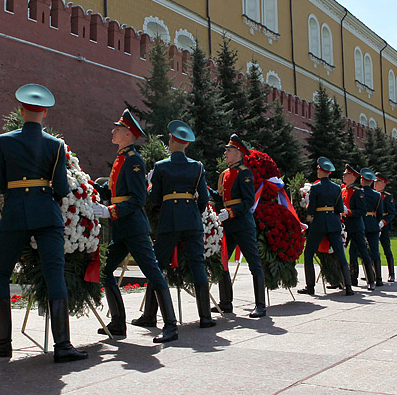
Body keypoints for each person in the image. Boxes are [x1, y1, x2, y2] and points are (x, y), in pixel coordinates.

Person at [0, 83, 88, 363]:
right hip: (46, 213)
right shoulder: (56, 145)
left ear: (20, 109)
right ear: (45, 113)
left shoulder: (4, 141)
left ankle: (3, 342)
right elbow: (62, 188)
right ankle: (62, 345)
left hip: (15, 212)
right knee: (54, 274)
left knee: (1, 273)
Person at [92, 109, 179, 343]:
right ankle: (118, 323)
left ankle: (170, 325)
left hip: (133, 226)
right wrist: (90, 187)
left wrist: (110, 210)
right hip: (122, 228)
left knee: (152, 272)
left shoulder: (133, 161)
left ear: (128, 135)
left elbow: (137, 198)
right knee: (104, 270)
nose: (113, 131)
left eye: (117, 129)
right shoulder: (122, 158)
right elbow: (114, 191)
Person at [133, 120, 216, 329]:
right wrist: (192, 214)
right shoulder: (197, 167)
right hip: (192, 219)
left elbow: (154, 200)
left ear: (171, 141)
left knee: (157, 264)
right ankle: (205, 316)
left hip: (170, 219)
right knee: (198, 264)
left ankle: (150, 315)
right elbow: (204, 199)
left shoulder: (161, 167)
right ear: (186, 144)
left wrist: (152, 186)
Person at [210, 134, 266, 318]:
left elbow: (248, 201)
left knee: (253, 262)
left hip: (241, 223)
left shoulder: (244, 173)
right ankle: (226, 302)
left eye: (229, 150)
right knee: (222, 261)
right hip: (228, 223)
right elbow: (221, 197)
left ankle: (260, 305)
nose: (225, 153)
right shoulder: (226, 174)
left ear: (238, 153)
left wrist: (231, 212)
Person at [298, 157, 354, 296]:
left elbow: (312, 208)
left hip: (319, 222)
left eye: (318, 169)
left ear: (322, 171)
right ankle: (348, 286)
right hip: (333, 222)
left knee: (309, 253)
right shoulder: (336, 188)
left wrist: (308, 211)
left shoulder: (316, 187)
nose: (317, 171)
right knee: (340, 254)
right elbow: (340, 207)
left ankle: (310, 287)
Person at [341, 164, 376, 291]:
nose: (344, 176)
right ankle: (350, 279)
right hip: (344, 226)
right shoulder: (343, 190)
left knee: (363, 252)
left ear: (352, 177)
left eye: (346, 174)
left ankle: (371, 280)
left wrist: (349, 212)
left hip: (355, 226)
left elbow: (362, 211)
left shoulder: (357, 192)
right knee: (346, 253)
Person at [359, 168, 384, 287]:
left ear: (363, 180)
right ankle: (378, 278)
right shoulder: (377, 195)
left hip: (361, 223)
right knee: (375, 252)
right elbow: (380, 213)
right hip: (373, 223)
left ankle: (356, 277)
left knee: (360, 251)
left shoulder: (358, 193)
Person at [374, 172, 396, 282]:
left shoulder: (387, 197)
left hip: (384, 226)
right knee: (373, 250)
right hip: (373, 225)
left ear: (383, 183)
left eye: (378, 181)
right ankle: (374, 272)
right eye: (374, 181)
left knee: (386, 249)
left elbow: (391, 213)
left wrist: (383, 222)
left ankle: (391, 273)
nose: (375, 183)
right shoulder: (372, 195)